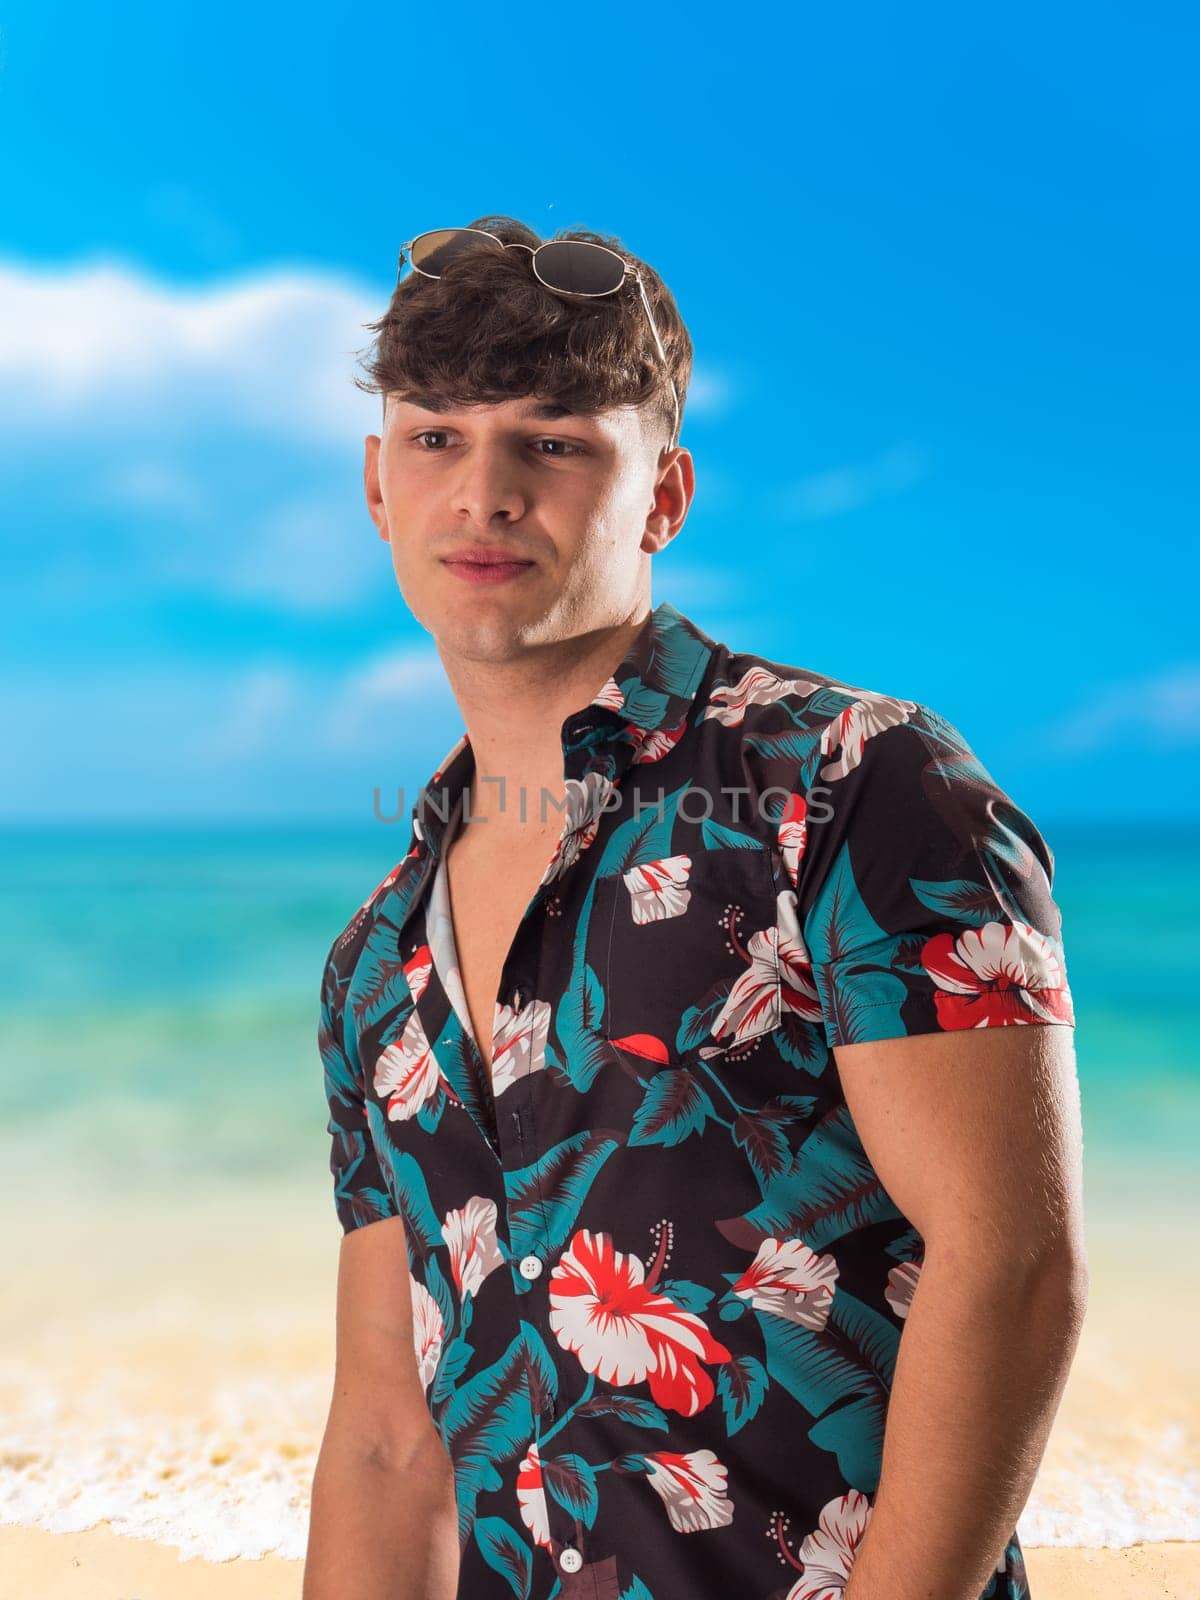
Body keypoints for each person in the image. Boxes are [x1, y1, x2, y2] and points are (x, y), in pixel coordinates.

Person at [303, 216, 1087, 1600]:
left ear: (662, 494)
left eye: (553, 441)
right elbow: (386, 1437)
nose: (482, 494)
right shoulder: (378, 957)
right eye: (436, 439)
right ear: (379, 485)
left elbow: (1012, 1267)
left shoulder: (852, 782)